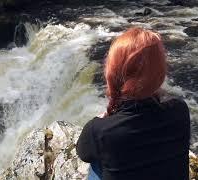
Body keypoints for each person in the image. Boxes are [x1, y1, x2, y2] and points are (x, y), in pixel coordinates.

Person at [76, 27, 191, 180]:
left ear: (113, 70)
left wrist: (101, 120)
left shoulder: (100, 130)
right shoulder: (180, 110)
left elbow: (83, 152)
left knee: (97, 162)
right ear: (159, 71)